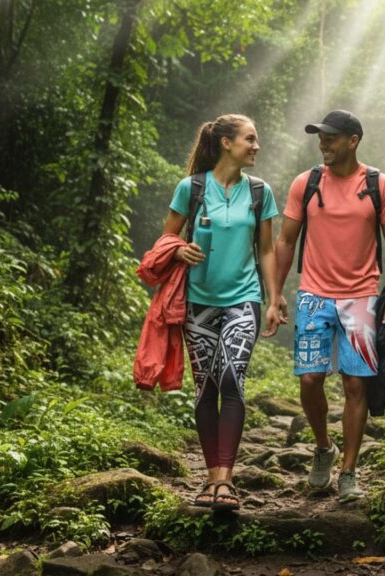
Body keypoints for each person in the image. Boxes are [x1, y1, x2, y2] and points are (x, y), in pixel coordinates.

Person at [274, 109, 385, 503]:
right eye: (320, 137)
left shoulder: (379, 185)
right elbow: (285, 240)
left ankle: (348, 472)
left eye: (331, 137)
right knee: (309, 379)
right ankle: (323, 447)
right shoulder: (307, 182)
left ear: (353, 140)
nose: (323, 144)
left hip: (362, 298)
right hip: (313, 295)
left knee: (355, 384)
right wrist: (276, 292)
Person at [162, 114, 282, 510]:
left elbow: (266, 250)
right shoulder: (191, 188)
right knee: (206, 387)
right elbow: (167, 239)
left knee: (231, 378)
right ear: (226, 143)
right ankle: (211, 476)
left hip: (243, 298)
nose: (256, 146)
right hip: (198, 301)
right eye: (250, 139)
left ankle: (226, 480)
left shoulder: (260, 192)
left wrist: (273, 298)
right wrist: (179, 250)